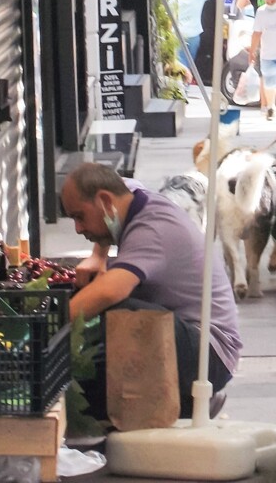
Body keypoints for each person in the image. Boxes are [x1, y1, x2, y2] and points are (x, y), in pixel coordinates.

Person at [61, 163, 242, 420]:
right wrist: (98, 256)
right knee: (84, 380)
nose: (78, 229)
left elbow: (110, 292)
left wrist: (50, 328)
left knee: (124, 311)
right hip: (190, 337)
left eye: (80, 217)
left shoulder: (152, 229)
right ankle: (181, 401)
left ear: (105, 200)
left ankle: (188, 400)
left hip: (209, 354)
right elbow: (123, 183)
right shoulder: (131, 197)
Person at [237, 0, 276, 114]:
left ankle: (271, 103)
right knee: (262, 71)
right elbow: (240, 4)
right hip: (261, 37)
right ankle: (265, 105)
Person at [175, 0, 237, 77]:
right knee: (189, 61)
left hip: (178, 34)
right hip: (194, 35)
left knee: (179, 61)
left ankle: (180, 80)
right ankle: (185, 80)